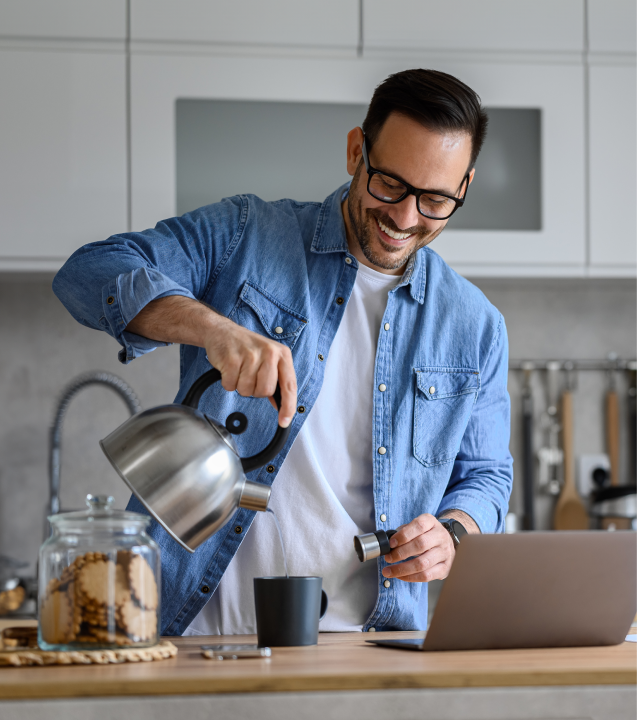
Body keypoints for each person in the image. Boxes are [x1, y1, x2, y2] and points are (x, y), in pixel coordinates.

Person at [53, 68, 513, 636]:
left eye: (435, 199)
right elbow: (87, 272)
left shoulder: (476, 325)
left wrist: (454, 531)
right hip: (194, 635)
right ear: (355, 151)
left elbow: (487, 475)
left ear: (464, 187)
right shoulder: (246, 234)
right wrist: (211, 328)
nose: (404, 216)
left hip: (368, 647)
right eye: (389, 184)